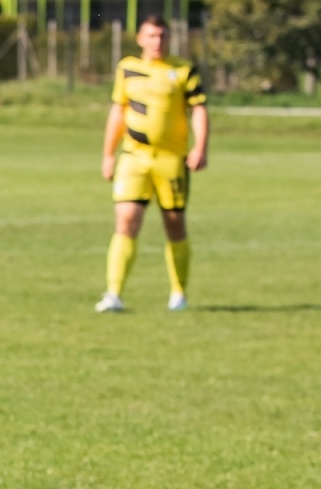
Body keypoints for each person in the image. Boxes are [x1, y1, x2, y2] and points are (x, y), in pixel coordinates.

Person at [96, 14, 209, 313]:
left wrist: (201, 146)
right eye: (151, 36)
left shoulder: (183, 70)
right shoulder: (127, 68)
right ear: (140, 39)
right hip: (134, 158)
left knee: (174, 224)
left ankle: (179, 293)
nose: (157, 41)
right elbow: (118, 111)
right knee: (126, 220)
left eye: (162, 36)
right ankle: (114, 294)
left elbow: (198, 109)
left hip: (171, 160)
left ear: (169, 38)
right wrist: (108, 154)